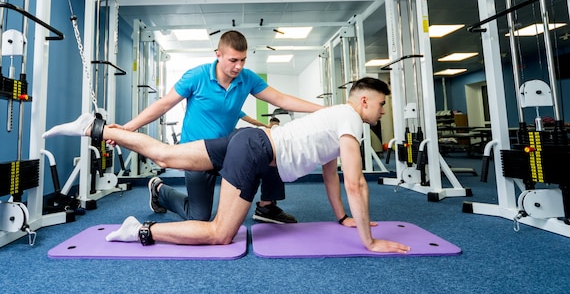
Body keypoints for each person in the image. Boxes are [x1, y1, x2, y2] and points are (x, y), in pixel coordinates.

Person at [43, 77, 410, 254]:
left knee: (165, 156)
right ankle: (142, 231)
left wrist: (343, 218)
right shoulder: (351, 121)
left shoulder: (336, 120)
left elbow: (333, 175)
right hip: (255, 150)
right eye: (381, 106)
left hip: (247, 141)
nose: (381, 112)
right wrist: (369, 240)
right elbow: (355, 183)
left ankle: (96, 128)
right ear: (364, 101)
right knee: (220, 232)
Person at [116, 30, 323, 223]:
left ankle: (266, 207)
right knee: (199, 217)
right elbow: (163, 104)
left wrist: (322, 110)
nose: (239, 66)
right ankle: (160, 190)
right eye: (233, 60)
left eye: (243, 60)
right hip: (195, 152)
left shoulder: (247, 78)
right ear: (218, 55)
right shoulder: (197, 76)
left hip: (227, 150)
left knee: (270, 145)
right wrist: (127, 129)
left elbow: (281, 99)